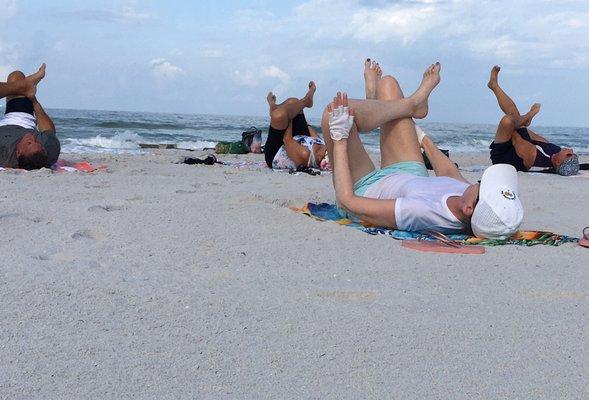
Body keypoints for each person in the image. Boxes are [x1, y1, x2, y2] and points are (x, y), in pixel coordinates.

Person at [321, 61, 524, 239]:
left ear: (468, 208)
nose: (480, 182)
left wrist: (339, 138)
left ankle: (408, 104)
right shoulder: (467, 199)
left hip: (365, 189)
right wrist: (422, 138)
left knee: (334, 112)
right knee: (388, 83)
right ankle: (400, 103)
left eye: (483, 186)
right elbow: (449, 174)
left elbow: (348, 201)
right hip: (408, 174)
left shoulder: (422, 212)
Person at [487, 65, 579, 176]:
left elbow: (515, 135)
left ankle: (525, 117)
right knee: (514, 115)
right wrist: (523, 125)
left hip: (504, 156)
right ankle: (494, 86)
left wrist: (523, 121)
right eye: (574, 154)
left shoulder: (532, 157)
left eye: (569, 155)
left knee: (508, 121)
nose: (571, 150)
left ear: (558, 162)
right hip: (521, 142)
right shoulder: (556, 151)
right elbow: (533, 136)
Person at [0, 68, 60, 170]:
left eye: (29, 142)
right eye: (38, 142)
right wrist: (33, 99)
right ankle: (24, 87)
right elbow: (49, 131)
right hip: (21, 119)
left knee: (16, 79)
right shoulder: (49, 151)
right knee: (16, 76)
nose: (32, 137)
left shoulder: (4, 154)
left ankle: (24, 86)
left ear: (18, 152)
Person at [263, 82, 329, 170]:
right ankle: (302, 102)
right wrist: (304, 122)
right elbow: (313, 138)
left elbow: (286, 139)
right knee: (293, 101)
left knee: (279, 116)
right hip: (298, 140)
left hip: (277, 152)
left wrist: (290, 117)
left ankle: (304, 102)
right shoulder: (323, 146)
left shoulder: (305, 154)